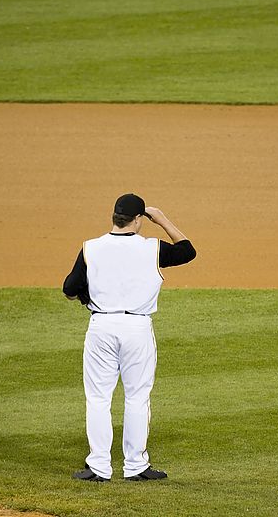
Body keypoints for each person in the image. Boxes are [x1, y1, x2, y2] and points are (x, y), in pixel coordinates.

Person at [62, 193, 196, 482]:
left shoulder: (91, 247)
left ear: (114, 217)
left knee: (98, 398)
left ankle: (98, 467)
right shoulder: (152, 249)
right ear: (138, 220)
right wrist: (160, 219)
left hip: (101, 328)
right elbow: (187, 250)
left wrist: (86, 297)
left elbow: (69, 287)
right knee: (137, 397)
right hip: (137, 330)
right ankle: (135, 466)